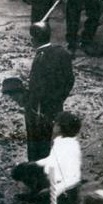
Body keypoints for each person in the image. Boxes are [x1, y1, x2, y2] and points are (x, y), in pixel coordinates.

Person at [25, 22, 75, 160]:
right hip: (56, 105)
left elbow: (37, 89)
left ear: (33, 40)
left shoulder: (40, 58)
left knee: (37, 143)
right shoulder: (62, 52)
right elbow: (70, 80)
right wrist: (59, 98)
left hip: (40, 110)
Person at [37, 110, 83, 204]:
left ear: (58, 128)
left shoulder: (66, 148)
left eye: (55, 123)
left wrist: (54, 190)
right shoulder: (62, 143)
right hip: (59, 188)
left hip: (64, 193)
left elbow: (73, 178)